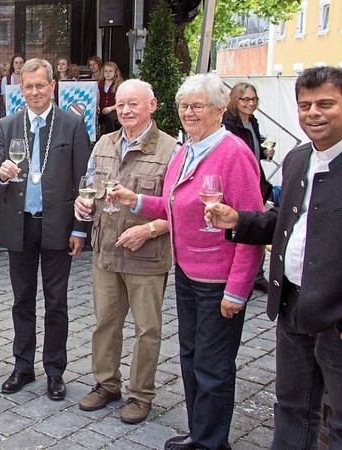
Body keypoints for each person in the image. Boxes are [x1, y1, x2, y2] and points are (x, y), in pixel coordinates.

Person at [207, 66, 342, 449]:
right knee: (292, 407)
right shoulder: (298, 159)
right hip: (292, 306)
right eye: (305, 105)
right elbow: (285, 223)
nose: (313, 113)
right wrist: (239, 221)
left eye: (325, 104)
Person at [108, 73, 263, 450]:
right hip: (188, 272)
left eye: (198, 105)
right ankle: (200, 435)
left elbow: (253, 224)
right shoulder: (186, 149)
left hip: (219, 281)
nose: (189, 112)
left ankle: (212, 443)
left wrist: (238, 291)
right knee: (192, 359)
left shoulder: (233, 152)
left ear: (219, 109)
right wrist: (137, 201)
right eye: (184, 105)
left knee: (213, 367)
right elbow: (176, 207)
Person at [73, 79, 177, 424]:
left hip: (146, 254)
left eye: (134, 104)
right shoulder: (104, 143)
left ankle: (141, 393)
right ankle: (106, 383)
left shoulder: (171, 150)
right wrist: (82, 203)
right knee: (105, 323)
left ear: (152, 105)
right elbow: (88, 187)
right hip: (106, 250)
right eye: (121, 105)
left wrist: (149, 229)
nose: (127, 111)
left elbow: (180, 209)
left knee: (147, 329)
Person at [0, 58, 91, 401]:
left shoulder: (73, 125)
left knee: (56, 302)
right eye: (28, 86)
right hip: (19, 225)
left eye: (40, 85)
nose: (34, 92)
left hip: (58, 226)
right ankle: (22, 366)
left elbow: (83, 181)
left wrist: (80, 230)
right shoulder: (6, 125)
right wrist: (0, 175)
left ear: (52, 86)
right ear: (21, 89)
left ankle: (55, 370)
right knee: (21, 300)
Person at [222, 82, 274, 293]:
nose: (250, 103)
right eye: (245, 99)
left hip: (256, 180)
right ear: (235, 100)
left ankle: (257, 274)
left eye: (253, 99)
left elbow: (251, 149)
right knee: (241, 226)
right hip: (239, 181)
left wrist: (263, 153)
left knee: (257, 225)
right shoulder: (228, 124)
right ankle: (240, 275)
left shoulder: (252, 121)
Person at [99, 61, 123, 134]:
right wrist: (97, 106)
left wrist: (110, 108)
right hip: (101, 109)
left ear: (115, 72)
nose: (108, 73)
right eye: (106, 71)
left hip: (114, 109)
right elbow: (96, 98)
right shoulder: (99, 84)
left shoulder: (119, 85)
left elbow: (121, 102)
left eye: (110, 71)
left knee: (109, 118)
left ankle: (111, 139)